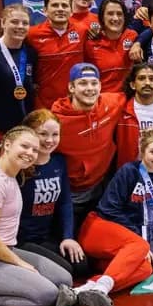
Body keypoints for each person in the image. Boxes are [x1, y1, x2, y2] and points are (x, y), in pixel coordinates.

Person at [0, 126, 111, 306]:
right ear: (7, 145)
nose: (30, 153)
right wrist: (20, 263)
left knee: (64, 279)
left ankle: (72, 295)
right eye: (25, 146)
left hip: (5, 250)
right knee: (46, 294)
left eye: (35, 150)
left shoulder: (13, 175)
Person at [77, 129, 153, 297]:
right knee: (140, 247)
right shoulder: (129, 171)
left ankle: (87, 289)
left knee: (145, 269)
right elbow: (108, 209)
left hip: (129, 246)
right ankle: (101, 287)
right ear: (142, 151)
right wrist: (138, 239)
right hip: (99, 228)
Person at [51, 63, 124, 228]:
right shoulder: (55, 120)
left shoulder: (111, 103)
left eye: (94, 83)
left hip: (101, 189)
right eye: (83, 83)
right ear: (71, 87)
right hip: (69, 196)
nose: (89, 88)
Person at [28, 0, 85, 109]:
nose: (60, 9)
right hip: (44, 105)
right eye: (55, 5)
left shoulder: (83, 31)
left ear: (71, 11)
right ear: (45, 10)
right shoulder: (31, 35)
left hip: (75, 103)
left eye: (64, 5)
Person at [0, 4, 38, 133]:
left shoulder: (31, 53)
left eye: (25, 23)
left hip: (24, 124)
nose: (20, 27)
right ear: (3, 23)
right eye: (14, 22)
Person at [84, 0, 136, 93]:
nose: (116, 18)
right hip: (102, 103)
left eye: (119, 14)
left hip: (129, 102)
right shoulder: (90, 43)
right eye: (110, 14)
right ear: (102, 18)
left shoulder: (133, 36)